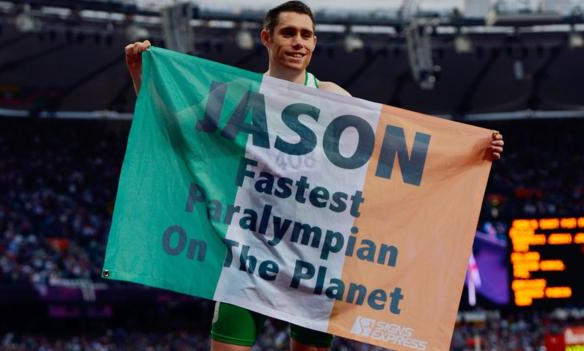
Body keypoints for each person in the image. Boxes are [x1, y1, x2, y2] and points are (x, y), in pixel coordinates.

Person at [124, 2, 505, 351]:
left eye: (306, 34)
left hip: (314, 264)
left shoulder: (332, 96)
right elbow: (173, 130)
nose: (298, 42)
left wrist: (468, 153)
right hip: (249, 258)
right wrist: (142, 78)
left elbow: (392, 155)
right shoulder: (240, 94)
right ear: (266, 37)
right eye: (288, 32)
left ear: (315, 42)